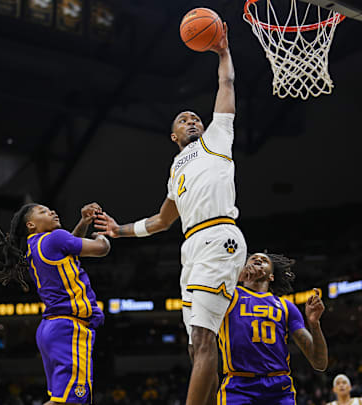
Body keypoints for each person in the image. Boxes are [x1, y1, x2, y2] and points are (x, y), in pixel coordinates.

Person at [94, 22, 243, 405]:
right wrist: (118, 230)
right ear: (174, 137)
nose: (192, 119)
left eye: (195, 116)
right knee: (196, 345)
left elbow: (225, 88)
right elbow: (162, 220)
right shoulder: (176, 170)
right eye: (184, 119)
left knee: (206, 340)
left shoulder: (216, 139)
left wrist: (223, 53)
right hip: (190, 248)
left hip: (219, 236)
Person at [0, 202, 110, 404]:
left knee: (66, 400)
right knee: (70, 402)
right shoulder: (55, 238)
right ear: (31, 225)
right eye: (43, 211)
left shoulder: (35, 247)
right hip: (69, 327)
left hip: (52, 328)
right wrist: (103, 234)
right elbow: (101, 249)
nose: (52, 211)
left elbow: (70, 245)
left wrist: (84, 222)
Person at [217, 252, 328, 405]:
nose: (258, 259)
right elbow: (199, 285)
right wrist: (236, 277)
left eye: (264, 260)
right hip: (239, 385)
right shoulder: (228, 295)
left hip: (279, 388)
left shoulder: (287, 307)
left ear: (271, 276)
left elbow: (319, 362)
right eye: (253, 258)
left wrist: (314, 324)